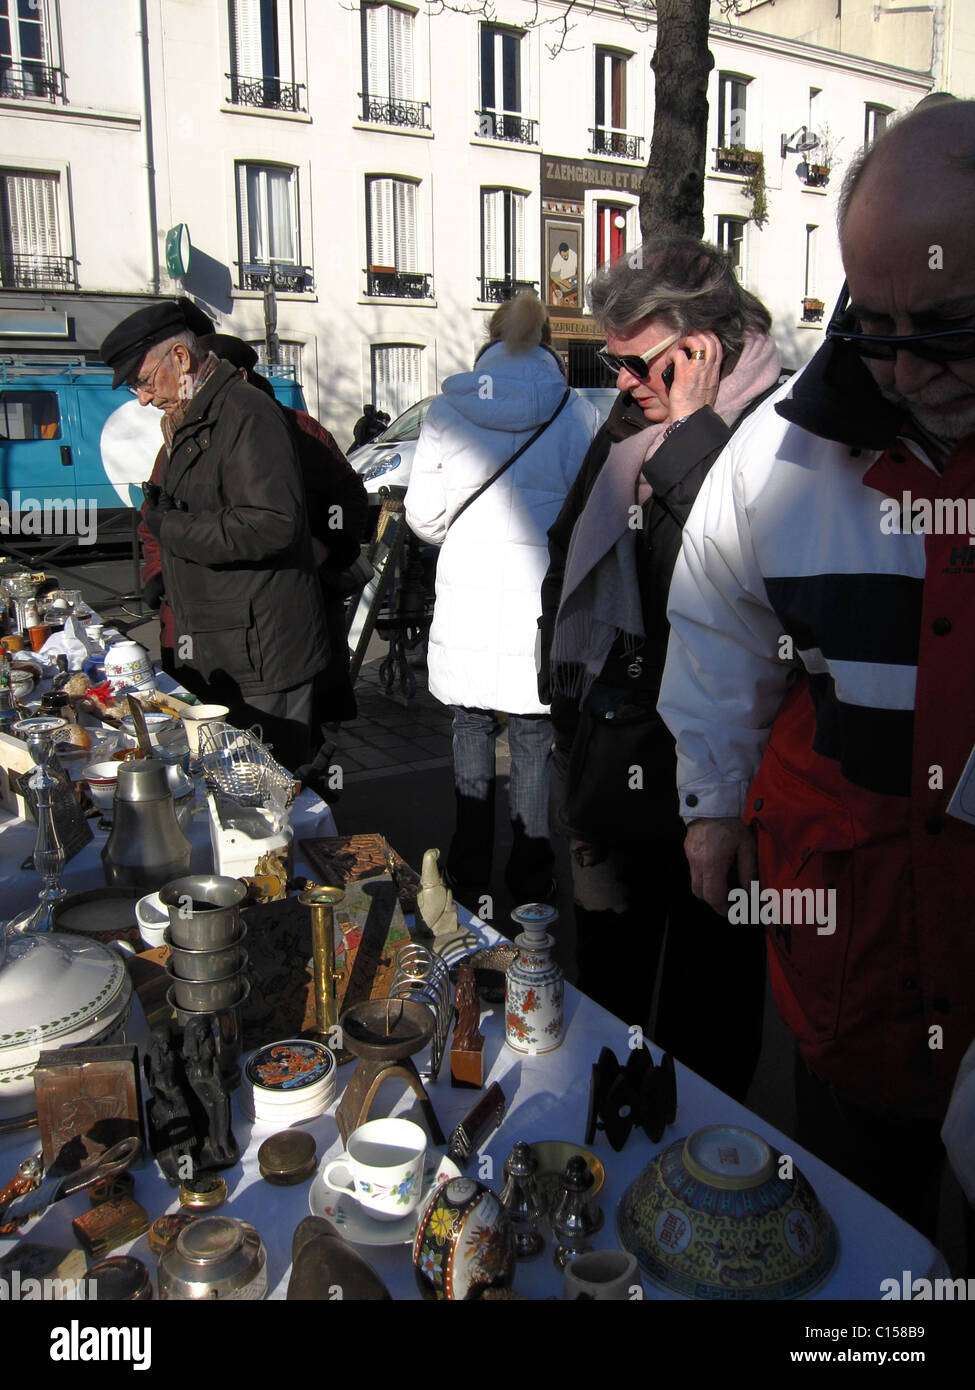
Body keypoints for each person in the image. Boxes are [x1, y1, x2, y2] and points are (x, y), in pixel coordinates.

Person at [657, 99, 975, 1248]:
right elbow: (716, 618)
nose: (901, 367)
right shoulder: (786, 444)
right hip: (856, 957)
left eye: (944, 325)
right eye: (871, 321)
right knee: (849, 1241)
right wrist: (708, 801)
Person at [537, 237, 780, 1100]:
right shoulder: (632, 420)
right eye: (611, 360)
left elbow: (729, 576)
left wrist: (694, 433)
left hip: (714, 775)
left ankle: (698, 1191)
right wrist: (560, 702)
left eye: (637, 362)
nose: (622, 381)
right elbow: (565, 558)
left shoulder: (766, 429)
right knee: (605, 992)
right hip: (611, 755)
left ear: (702, 348)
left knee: (704, 1014)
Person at [405, 293, 600, 912]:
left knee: (469, 725)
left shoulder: (447, 410)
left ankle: (466, 874)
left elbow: (423, 518)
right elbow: (585, 520)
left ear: (488, 342)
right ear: (546, 342)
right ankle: (531, 882)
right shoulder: (574, 413)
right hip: (538, 603)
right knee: (533, 736)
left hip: (467, 601)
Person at [100, 297, 328, 773]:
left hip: (261, 653)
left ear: (180, 359)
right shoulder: (191, 417)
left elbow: (271, 525)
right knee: (238, 792)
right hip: (227, 644)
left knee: (272, 793)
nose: (141, 397)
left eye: (142, 380)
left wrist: (172, 527)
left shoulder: (245, 413)